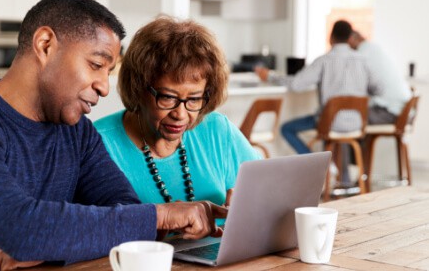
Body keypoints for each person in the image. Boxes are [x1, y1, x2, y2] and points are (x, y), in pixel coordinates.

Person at [0, 0, 226, 270]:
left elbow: (128, 215)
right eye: (96, 65)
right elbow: (21, 228)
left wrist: (48, 241)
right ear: (45, 45)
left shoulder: (77, 133)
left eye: (109, 71)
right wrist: (35, 236)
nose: (103, 86)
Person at [93, 16, 261, 211]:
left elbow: (270, 188)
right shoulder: (98, 143)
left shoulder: (217, 130)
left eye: (194, 99)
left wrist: (250, 206)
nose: (180, 114)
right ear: (139, 87)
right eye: (168, 98)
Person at [255, 20, 383, 185]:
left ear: (331, 37)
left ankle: (320, 166)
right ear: (351, 38)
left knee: (287, 128)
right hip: (357, 125)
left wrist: (270, 76)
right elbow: (377, 89)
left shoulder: (325, 60)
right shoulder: (364, 61)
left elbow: (296, 84)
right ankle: (343, 180)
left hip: (330, 124)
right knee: (339, 135)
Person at [348, 30, 412, 124]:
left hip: (392, 112)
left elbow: (360, 86)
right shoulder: (373, 48)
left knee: (347, 120)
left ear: (352, 39)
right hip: (403, 110)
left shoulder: (363, 53)